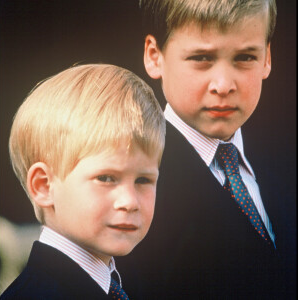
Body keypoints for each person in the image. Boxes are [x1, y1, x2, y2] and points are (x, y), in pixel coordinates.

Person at [116, 0, 296, 299]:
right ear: (154, 56)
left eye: (245, 57)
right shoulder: (135, 184)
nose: (223, 85)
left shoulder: (282, 161)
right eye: (201, 57)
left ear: (267, 58)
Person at [0, 64, 166, 299]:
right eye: (106, 178)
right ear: (44, 186)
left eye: (143, 180)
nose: (130, 201)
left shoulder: (120, 286)